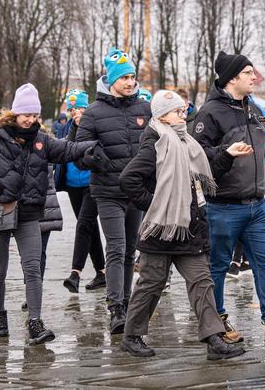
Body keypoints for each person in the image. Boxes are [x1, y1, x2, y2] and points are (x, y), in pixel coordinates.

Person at [0, 83, 95, 345]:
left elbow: (66, 150)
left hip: (30, 214)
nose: (31, 119)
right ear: (15, 113)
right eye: (26, 114)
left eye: (35, 115)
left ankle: (35, 323)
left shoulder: (41, 140)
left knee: (33, 269)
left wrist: (93, 144)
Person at [117, 90, 246, 360]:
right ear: (162, 116)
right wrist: (157, 206)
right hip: (161, 231)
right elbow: (128, 179)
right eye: (177, 111)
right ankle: (131, 336)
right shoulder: (156, 142)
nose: (183, 114)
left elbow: (207, 178)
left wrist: (228, 155)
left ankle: (214, 340)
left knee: (202, 282)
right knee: (151, 284)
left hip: (190, 229)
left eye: (183, 110)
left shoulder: (186, 142)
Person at [192, 51, 265, 344]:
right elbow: (196, 156)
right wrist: (225, 152)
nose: (254, 77)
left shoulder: (255, 109)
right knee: (218, 266)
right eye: (248, 73)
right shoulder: (208, 113)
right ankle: (217, 320)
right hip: (223, 206)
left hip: (257, 206)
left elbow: (264, 153)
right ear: (232, 78)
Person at [75, 47, 152, 334]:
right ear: (111, 81)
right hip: (107, 191)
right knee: (117, 248)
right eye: (124, 78)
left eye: (133, 77)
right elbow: (79, 150)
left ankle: (128, 302)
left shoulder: (144, 109)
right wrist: (92, 156)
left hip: (136, 191)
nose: (130, 82)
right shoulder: (94, 113)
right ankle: (116, 308)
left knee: (131, 249)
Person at [57, 89, 106, 292]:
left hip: (91, 182)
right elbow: (63, 149)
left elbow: (87, 148)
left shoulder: (94, 124)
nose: (76, 112)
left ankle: (75, 272)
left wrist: (80, 126)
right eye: (72, 108)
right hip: (72, 185)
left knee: (84, 224)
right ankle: (101, 272)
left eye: (80, 108)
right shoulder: (65, 128)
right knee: (89, 227)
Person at [22, 162, 63, 312]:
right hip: (34, 208)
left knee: (37, 253)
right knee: (32, 254)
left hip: (44, 208)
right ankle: (32, 290)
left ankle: (32, 292)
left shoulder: (42, 149)